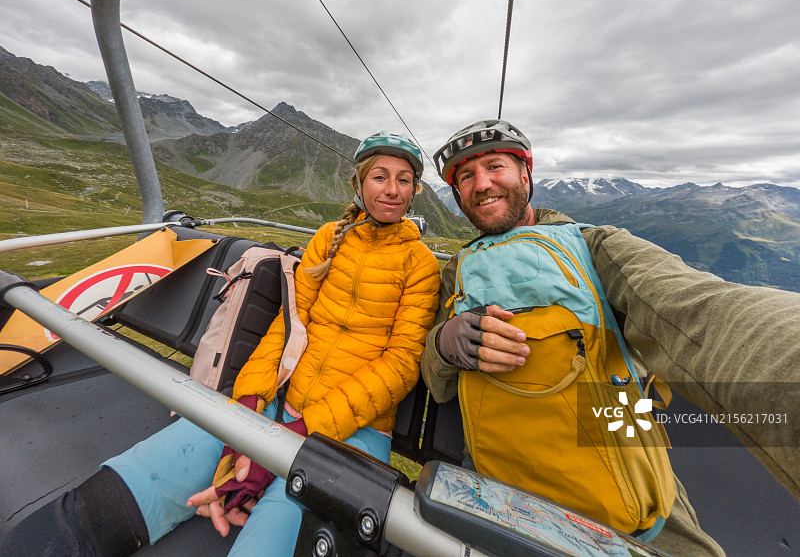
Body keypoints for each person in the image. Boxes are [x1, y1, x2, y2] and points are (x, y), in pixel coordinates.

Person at [3, 131, 440, 557]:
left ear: (414, 190)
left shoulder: (420, 263)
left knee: (278, 535)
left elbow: (401, 364)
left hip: (357, 429)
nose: (392, 190)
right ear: (360, 183)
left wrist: (294, 438)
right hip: (279, 400)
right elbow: (289, 329)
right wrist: (246, 411)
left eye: (404, 180)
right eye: (380, 176)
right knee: (135, 483)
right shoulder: (328, 239)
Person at [421, 119, 800, 556]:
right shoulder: (456, 270)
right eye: (465, 176)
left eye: (495, 166)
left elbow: (701, 313)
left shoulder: (595, 246)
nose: (481, 183)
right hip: (496, 493)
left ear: (526, 175)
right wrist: (445, 343)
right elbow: (437, 382)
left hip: (622, 478)